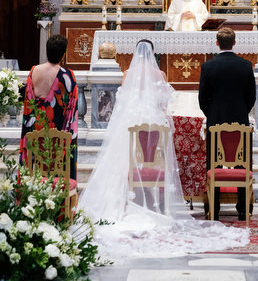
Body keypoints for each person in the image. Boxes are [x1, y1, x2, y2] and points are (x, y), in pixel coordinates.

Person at [77, 39, 248, 260]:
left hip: (129, 125)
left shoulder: (127, 74)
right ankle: (158, 207)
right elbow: (164, 105)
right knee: (155, 160)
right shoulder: (161, 75)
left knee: (121, 164)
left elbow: (120, 104)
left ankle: (125, 203)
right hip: (154, 125)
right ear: (153, 54)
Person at [198, 27, 256, 220]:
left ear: (217, 43)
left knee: (214, 163)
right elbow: (251, 96)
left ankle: (214, 207)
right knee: (241, 161)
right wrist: (242, 112)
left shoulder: (208, 66)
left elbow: (202, 98)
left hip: (215, 120)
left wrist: (212, 113)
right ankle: (242, 208)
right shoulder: (246, 65)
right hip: (240, 118)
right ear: (235, 43)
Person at [20, 34, 78, 180]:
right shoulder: (67, 75)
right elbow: (71, 109)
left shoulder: (34, 71)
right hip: (57, 134)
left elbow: (28, 100)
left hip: (35, 130)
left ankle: (31, 186)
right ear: (63, 54)